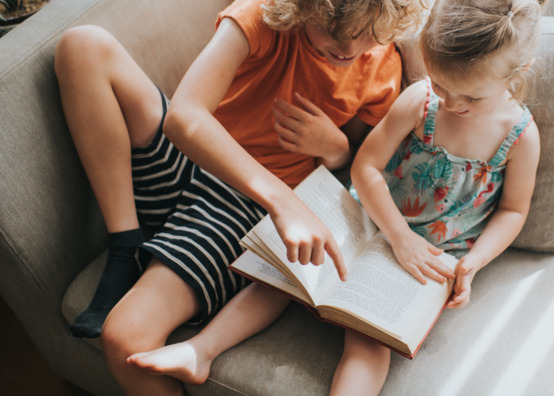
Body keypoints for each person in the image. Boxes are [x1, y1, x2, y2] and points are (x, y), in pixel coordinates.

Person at [54, 0, 425, 394]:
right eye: (334, 31)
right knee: (83, 45)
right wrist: (285, 202)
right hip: (197, 155)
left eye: (367, 35)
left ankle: (137, 245)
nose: (350, 49)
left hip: (238, 204)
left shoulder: (383, 64)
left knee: (124, 338)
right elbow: (184, 118)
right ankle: (125, 241)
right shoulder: (264, 16)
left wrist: (335, 148)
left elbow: (357, 159)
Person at [349, 0, 545, 388]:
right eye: (440, 84)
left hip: (433, 261)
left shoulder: (520, 137)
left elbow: (512, 212)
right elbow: (364, 168)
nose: (451, 103)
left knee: (368, 341)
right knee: (281, 274)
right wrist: (400, 238)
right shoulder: (421, 103)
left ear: (517, 76)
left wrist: (474, 262)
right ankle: (201, 350)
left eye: (472, 98)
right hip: (372, 221)